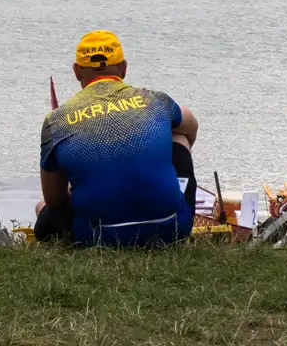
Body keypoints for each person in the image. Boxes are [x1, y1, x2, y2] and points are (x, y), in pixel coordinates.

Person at [36, 31, 198, 247]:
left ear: (76, 71)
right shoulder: (156, 100)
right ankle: (167, 193)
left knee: (42, 207)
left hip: (97, 237)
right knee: (179, 132)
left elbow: (55, 201)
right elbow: (191, 124)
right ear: (123, 67)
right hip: (172, 229)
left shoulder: (56, 121)